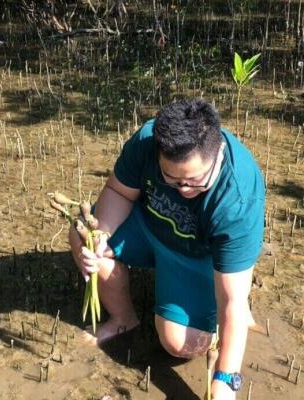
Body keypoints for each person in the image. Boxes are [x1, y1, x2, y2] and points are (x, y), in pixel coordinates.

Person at [69, 98, 265, 399]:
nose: (183, 189)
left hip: (197, 256)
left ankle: (211, 329)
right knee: (84, 235)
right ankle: (123, 319)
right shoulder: (148, 140)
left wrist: (225, 380)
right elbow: (119, 191)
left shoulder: (236, 198)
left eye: (195, 181)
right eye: (171, 179)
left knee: (179, 345)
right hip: (149, 226)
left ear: (219, 153)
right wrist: (102, 236)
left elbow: (232, 302)